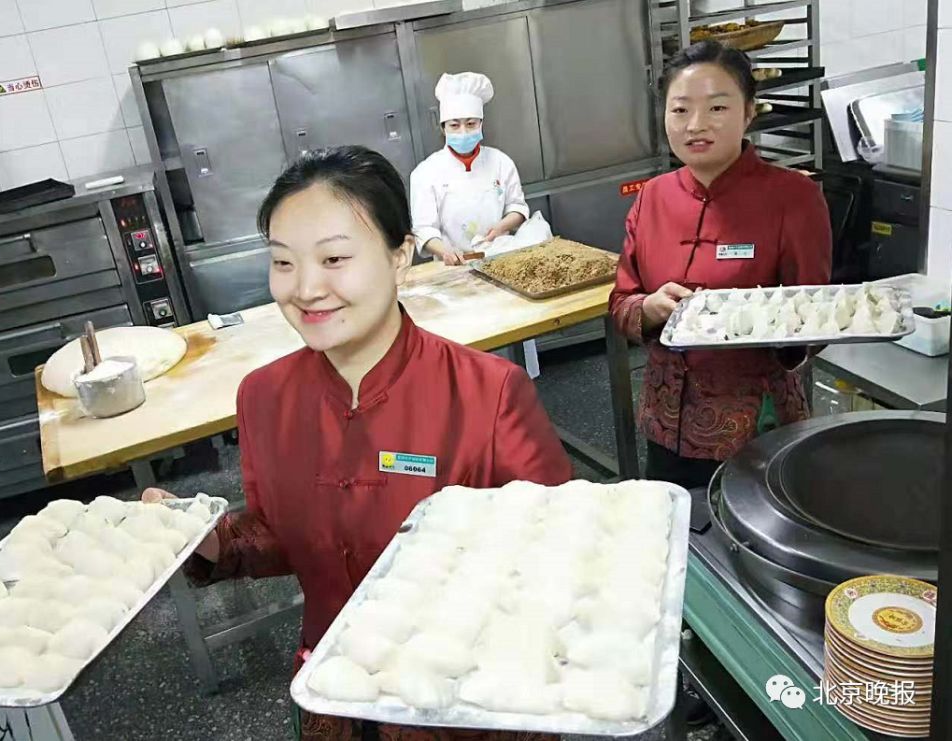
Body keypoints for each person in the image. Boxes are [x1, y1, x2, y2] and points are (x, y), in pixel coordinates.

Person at [145, 145, 570, 740]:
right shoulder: (264, 397)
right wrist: (205, 539)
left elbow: (564, 558)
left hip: (464, 705)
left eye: (335, 258)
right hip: (334, 697)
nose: (306, 288)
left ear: (399, 258)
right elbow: (282, 534)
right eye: (284, 263)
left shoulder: (488, 394)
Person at [609, 40, 832, 491]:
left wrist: (762, 324)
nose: (696, 125)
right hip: (665, 424)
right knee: (680, 544)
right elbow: (620, 301)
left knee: (754, 549)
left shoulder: (793, 197)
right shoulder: (653, 197)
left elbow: (817, 316)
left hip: (756, 429)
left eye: (716, 107)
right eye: (680, 110)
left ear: (749, 111)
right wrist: (649, 308)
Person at [409, 72, 529, 266]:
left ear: (481, 124)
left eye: (471, 124)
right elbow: (423, 229)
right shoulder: (425, 173)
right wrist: (445, 251)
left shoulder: (501, 162)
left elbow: (518, 207)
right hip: (452, 266)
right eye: (454, 125)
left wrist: (501, 227)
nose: (463, 132)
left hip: (501, 259)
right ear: (443, 128)